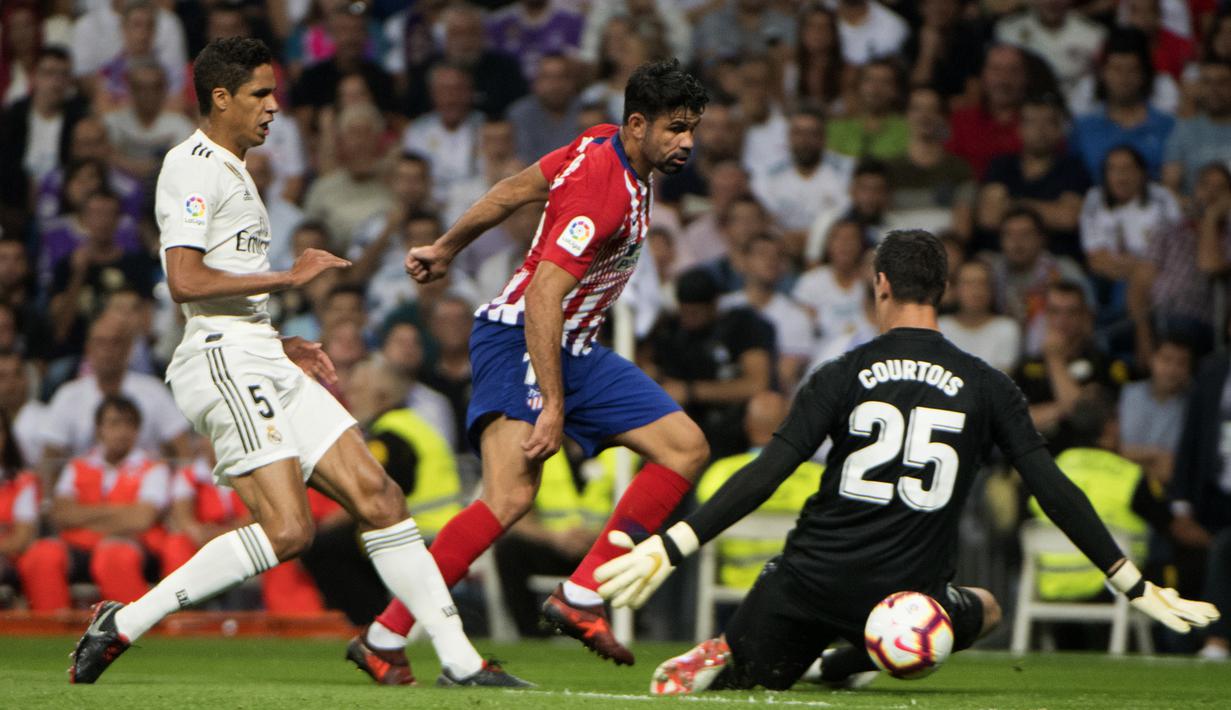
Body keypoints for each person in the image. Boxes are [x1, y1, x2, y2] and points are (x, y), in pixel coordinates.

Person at [67, 37, 525, 690]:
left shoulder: (235, 171)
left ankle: (460, 662)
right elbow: (185, 282)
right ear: (220, 97)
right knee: (288, 531)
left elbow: (224, 286)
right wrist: (289, 277)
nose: (274, 106)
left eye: (274, 91)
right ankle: (126, 622)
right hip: (221, 361)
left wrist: (279, 339)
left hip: (258, 352)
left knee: (379, 495)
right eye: (259, 93)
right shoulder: (191, 167)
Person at [592, 229, 1219, 694]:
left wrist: (672, 543)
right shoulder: (988, 383)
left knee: (748, 680)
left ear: (880, 286)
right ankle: (840, 663)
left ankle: (749, 653)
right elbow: (1052, 487)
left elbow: (768, 471)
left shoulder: (840, 373)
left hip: (807, 582)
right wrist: (1131, 581)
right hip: (908, 596)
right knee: (987, 607)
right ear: (943, 293)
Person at [346, 58, 711, 682]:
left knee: (685, 448)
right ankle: (386, 635)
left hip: (573, 343)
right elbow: (544, 293)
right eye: (676, 129)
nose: (688, 143)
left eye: (693, 129)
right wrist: (553, 403)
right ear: (639, 123)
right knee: (510, 495)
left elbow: (513, 189)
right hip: (522, 335)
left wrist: (445, 247)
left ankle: (582, 595)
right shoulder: (604, 187)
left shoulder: (601, 140)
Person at [21, 396, 171, 612]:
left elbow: (142, 519)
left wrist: (83, 516)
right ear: (99, 429)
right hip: (79, 547)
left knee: (113, 554)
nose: (122, 431)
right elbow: (61, 514)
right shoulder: (78, 466)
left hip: (131, 547)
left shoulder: (154, 468)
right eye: (114, 423)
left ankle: (134, 628)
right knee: (42, 553)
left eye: (129, 423)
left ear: (137, 430)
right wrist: (121, 514)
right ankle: (53, 629)